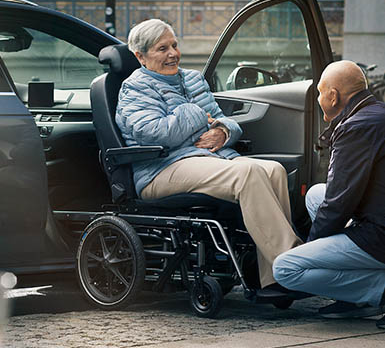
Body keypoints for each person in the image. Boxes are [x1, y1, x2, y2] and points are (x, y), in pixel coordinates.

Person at [115, 18, 302, 294]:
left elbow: (223, 120)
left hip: (207, 158)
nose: (172, 54)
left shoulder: (191, 79)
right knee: (248, 173)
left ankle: (272, 276)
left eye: (174, 46)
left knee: (274, 169)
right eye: (162, 48)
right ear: (140, 56)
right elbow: (154, 134)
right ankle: (294, 266)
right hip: (161, 168)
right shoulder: (135, 88)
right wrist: (194, 115)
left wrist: (223, 132)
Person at [273, 60, 385, 320]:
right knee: (315, 194)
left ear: (333, 96)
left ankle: (377, 290)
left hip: (379, 234)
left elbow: (338, 203)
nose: (319, 99)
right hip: (377, 215)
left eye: (320, 93)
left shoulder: (355, 127)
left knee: (286, 268)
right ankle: (353, 298)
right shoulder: (376, 113)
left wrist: (313, 251)